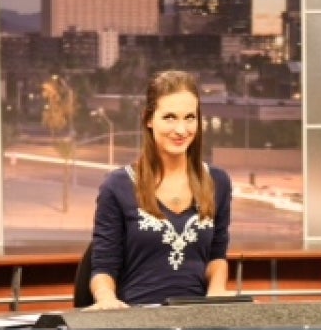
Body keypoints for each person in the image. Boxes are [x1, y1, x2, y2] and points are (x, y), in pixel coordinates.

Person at [86, 70, 232, 309]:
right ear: (148, 119)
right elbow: (103, 267)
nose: (182, 130)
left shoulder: (218, 182)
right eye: (170, 117)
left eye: (190, 117)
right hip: (139, 320)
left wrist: (217, 292)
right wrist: (107, 299)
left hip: (199, 320)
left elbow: (216, 256)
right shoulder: (117, 186)